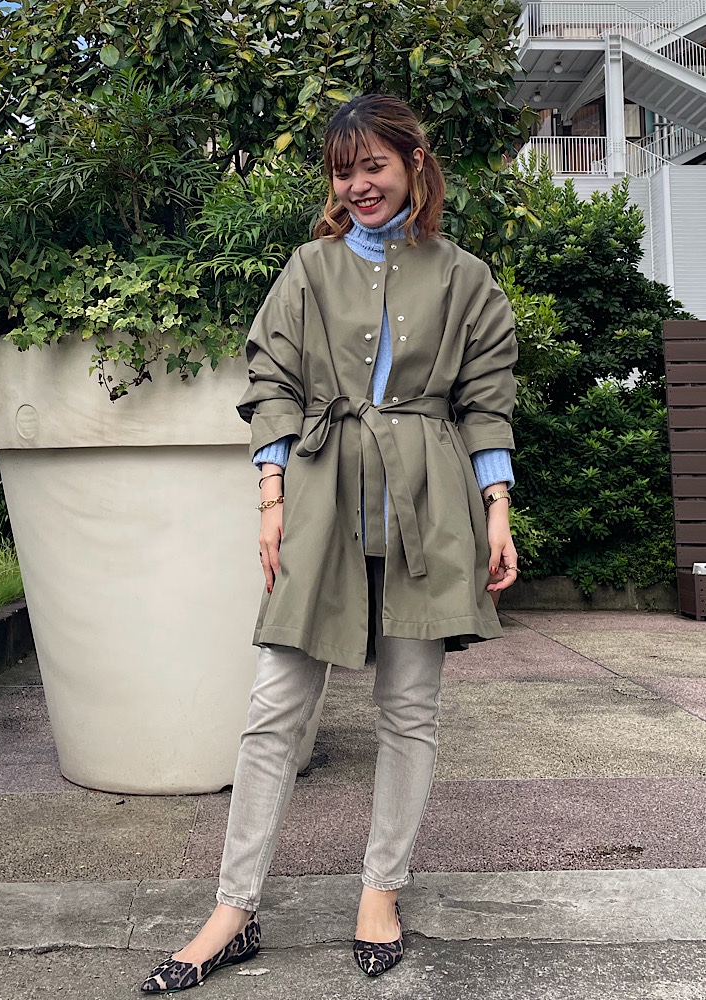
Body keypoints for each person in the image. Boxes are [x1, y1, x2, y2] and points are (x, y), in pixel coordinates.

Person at [141, 93, 519, 993]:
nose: (358, 186)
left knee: (410, 710)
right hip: (319, 499)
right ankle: (233, 910)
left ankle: (380, 895)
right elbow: (272, 377)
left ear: (415, 163)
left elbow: (486, 398)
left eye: (373, 166)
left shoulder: (465, 277)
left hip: (431, 504)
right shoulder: (308, 270)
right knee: (275, 708)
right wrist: (271, 496)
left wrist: (497, 507)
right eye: (344, 172)